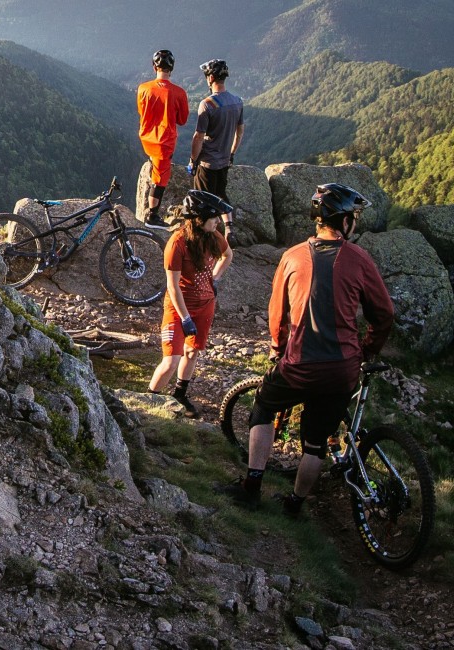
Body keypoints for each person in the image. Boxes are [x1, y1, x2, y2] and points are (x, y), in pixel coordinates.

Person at [217, 183, 394, 512]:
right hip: (342, 369)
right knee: (315, 444)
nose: (354, 223)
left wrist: (278, 347)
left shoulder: (292, 256)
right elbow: (384, 315)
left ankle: (251, 488)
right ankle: (295, 504)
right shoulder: (359, 259)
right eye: (354, 218)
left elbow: (277, 313)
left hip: (299, 364)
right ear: (344, 222)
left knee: (263, 406)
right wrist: (367, 351)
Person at [148, 190, 234, 418]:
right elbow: (172, 286)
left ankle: (180, 394)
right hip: (178, 307)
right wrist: (185, 318)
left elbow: (228, 255)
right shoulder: (177, 244)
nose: (218, 222)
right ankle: (148, 400)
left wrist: (215, 278)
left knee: (192, 352)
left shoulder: (212, 236)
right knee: (171, 360)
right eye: (214, 217)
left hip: (205, 304)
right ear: (199, 218)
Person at [188, 59, 244, 246]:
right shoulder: (237, 102)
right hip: (224, 160)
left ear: (210, 78)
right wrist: (232, 153)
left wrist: (193, 160)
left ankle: (205, 238)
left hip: (207, 162)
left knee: (203, 199)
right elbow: (240, 131)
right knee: (221, 193)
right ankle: (229, 228)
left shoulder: (207, 104)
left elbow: (198, 136)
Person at [137, 49, 189, 230]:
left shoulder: (143, 88)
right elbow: (182, 120)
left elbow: (141, 112)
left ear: (154, 67)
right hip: (164, 142)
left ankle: (151, 212)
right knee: (160, 179)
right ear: (171, 68)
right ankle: (152, 216)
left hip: (147, 138)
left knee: (157, 170)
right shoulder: (179, 93)